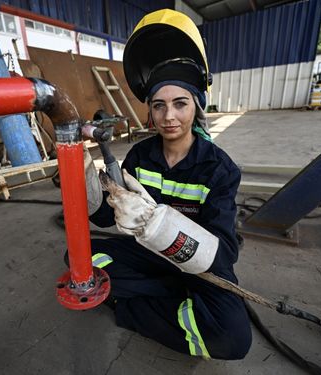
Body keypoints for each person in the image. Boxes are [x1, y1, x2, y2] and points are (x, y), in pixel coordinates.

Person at [81, 9, 251, 360]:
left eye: (180, 104)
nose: (169, 116)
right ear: (150, 111)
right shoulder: (139, 158)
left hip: (197, 266)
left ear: (196, 106)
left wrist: (158, 224)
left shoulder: (219, 169)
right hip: (149, 259)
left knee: (233, 338)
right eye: (159, 106)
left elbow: (224, 257)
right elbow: (105, 220)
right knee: (80, 259)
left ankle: (129, 306)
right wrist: (85, 186)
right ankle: (167, 294)